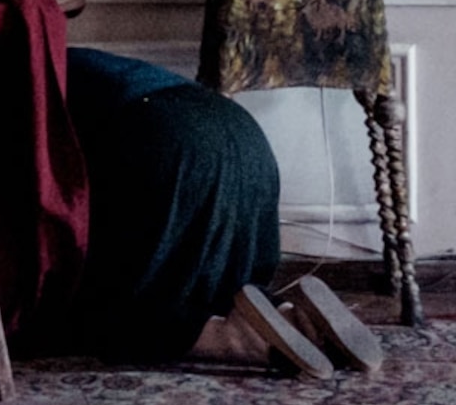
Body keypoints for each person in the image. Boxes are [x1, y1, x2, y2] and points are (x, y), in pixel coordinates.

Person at [63, 47, 380, 376]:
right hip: (242, 132)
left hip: (170, 139)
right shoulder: (61, 54)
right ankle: (294, 318)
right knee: (230, 291)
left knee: (127, 314)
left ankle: (227, 338)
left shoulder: (20, 74)